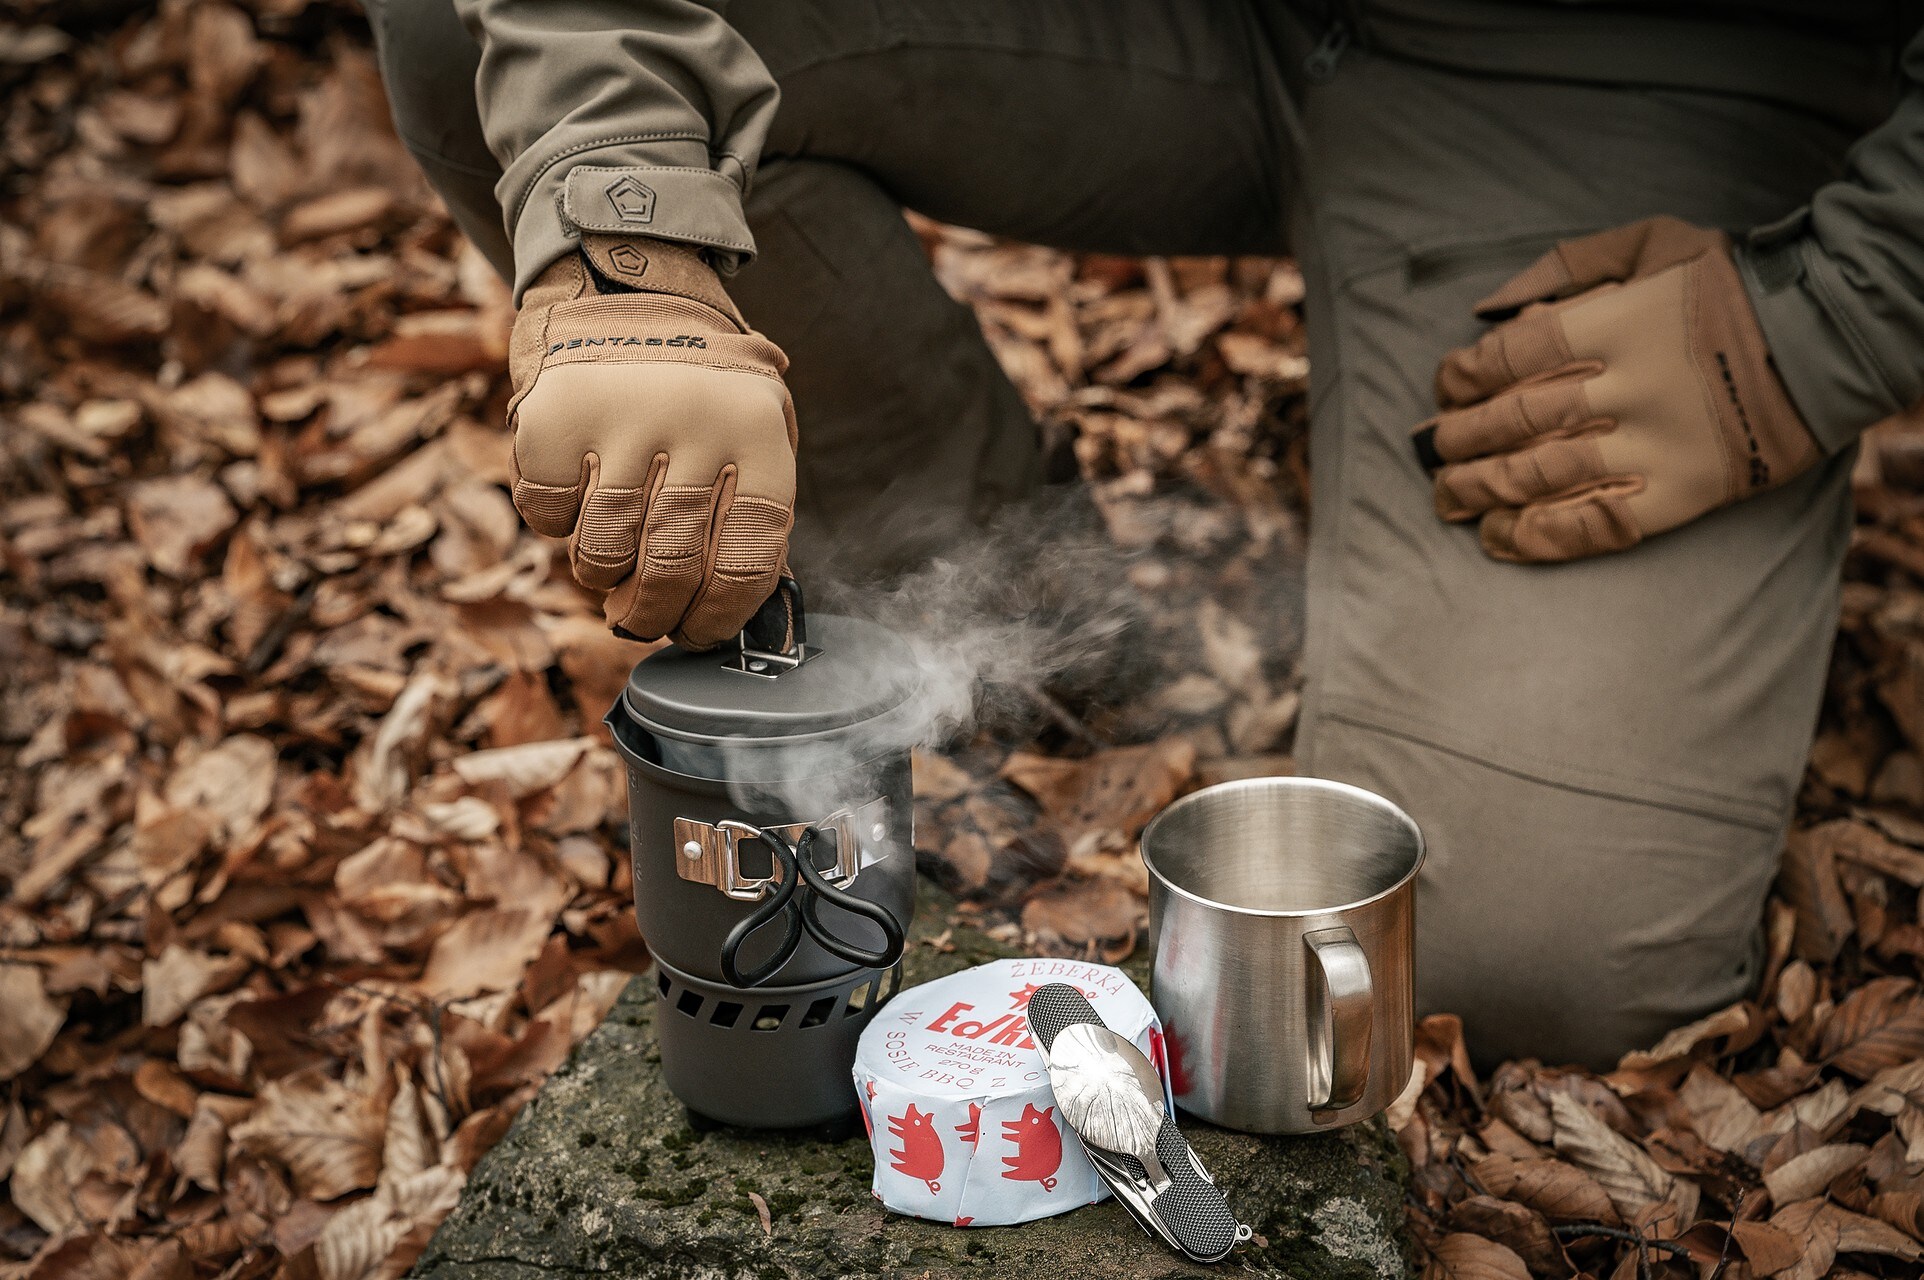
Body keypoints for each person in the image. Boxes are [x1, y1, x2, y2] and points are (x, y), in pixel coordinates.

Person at [366, 0, 1924, 1068]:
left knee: (1500, 960)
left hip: (1637, 69)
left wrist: (1820, 324)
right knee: (472, 31)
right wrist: (620, 234)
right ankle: (1004, 618)